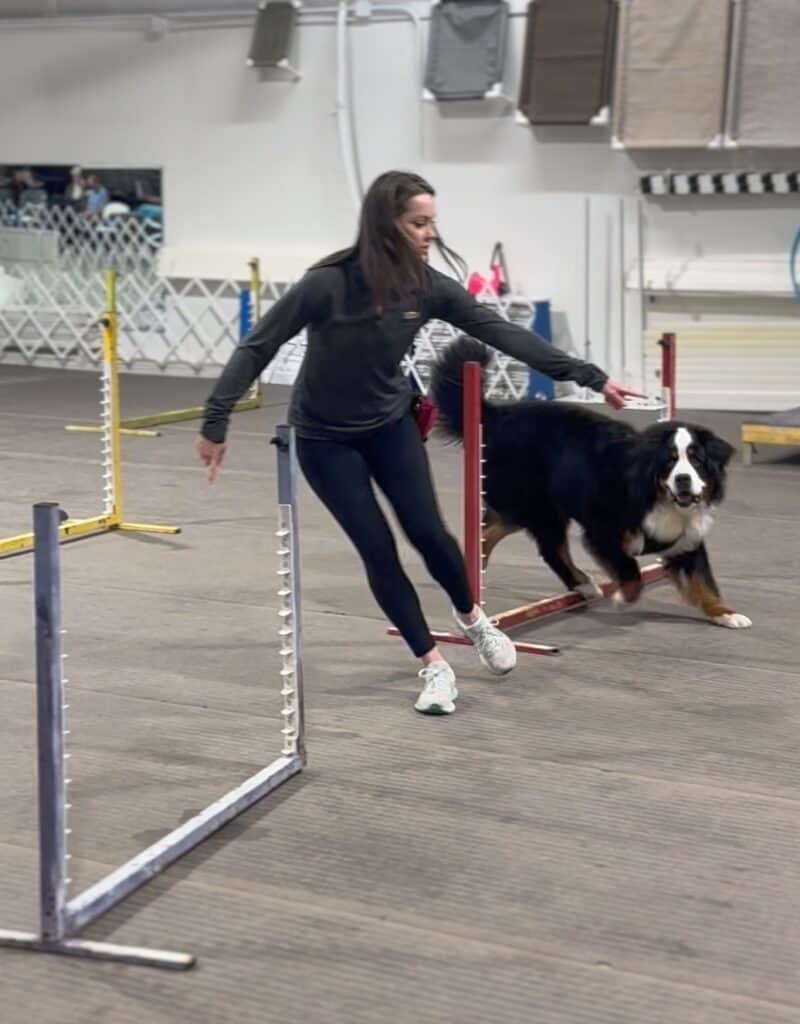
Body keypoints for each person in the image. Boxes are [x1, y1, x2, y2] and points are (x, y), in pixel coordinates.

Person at [196, 170, 644, 716]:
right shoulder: (326, 284)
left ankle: (474, 621)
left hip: (389, 428)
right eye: (419, 222)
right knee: (378, 548)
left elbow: (503, 331)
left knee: (430, 534)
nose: (430, 233)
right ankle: (433, 666)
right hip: (324, 440)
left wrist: (592, 376)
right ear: (388, 224)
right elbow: (256, 347)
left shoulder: (427, 287)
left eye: (433, 222)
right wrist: (215, 421)